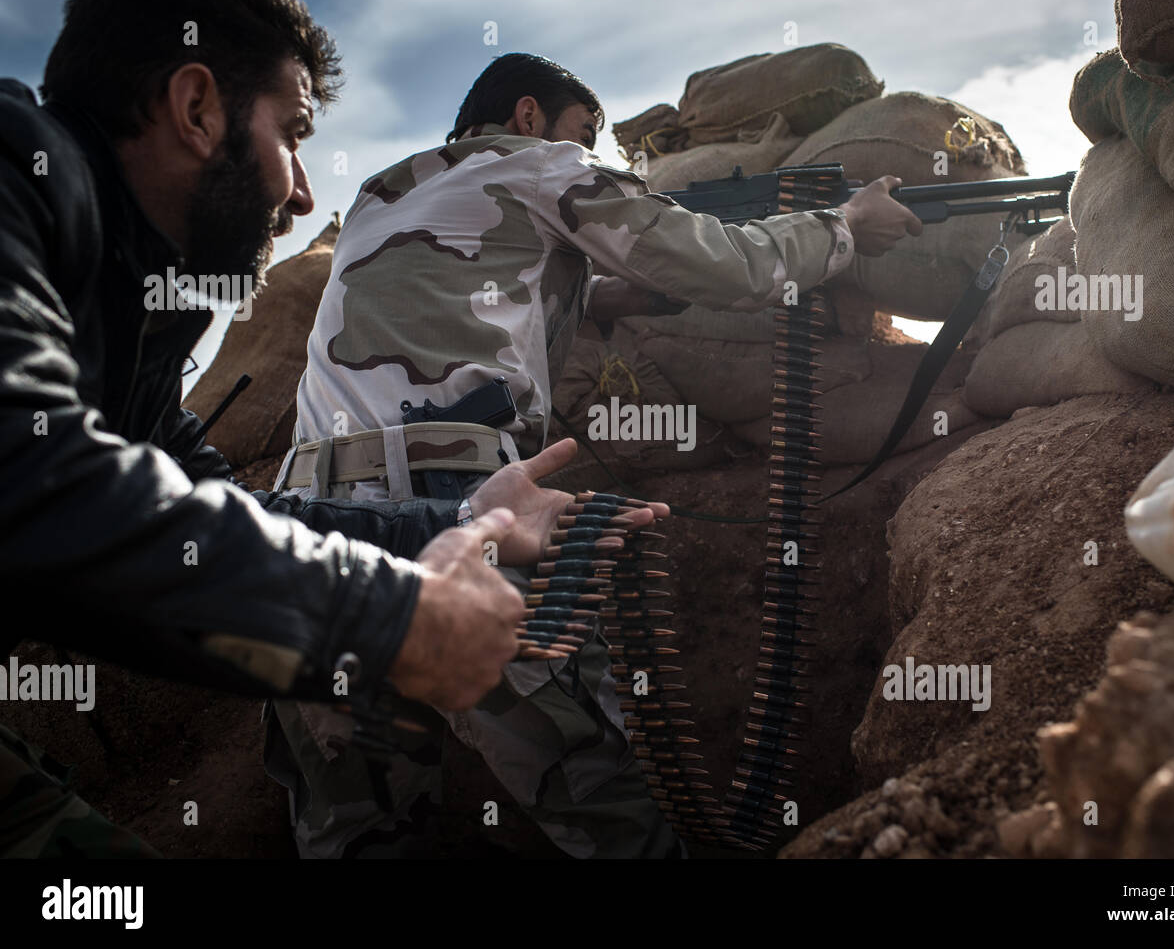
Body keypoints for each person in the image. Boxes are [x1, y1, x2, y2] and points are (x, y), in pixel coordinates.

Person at [0, 0, 636, 858]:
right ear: (196, 109)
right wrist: (393, 617)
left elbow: (222, 516)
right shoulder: (12, 171)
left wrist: (453, 522)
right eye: (292, 135)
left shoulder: (135, 337)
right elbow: (33, 487)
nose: (301, 192)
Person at [268, 52, 922, 859]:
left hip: (303, 516)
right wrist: (845, 228)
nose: (597, 152)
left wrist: (609, 291)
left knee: (356, 823)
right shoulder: (546, 165)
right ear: (531, 115)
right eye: (588, 131)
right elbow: (721, 263)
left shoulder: (383, 194)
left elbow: (480, 294)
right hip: (453, 501)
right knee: (603, 792)